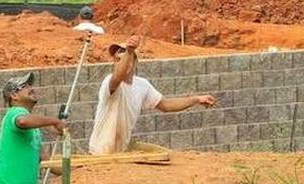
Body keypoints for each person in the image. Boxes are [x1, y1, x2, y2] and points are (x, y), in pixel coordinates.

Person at [88, 35, 216, 155]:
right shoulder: (110, 82)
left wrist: (196, 99)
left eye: (126, 58)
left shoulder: (142, 85)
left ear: (135, 62)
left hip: (121, 152)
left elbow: (166, 105)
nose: (120, 62)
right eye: (117, 60)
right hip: (100, 152)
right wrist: (129, 52)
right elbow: (117, 77)